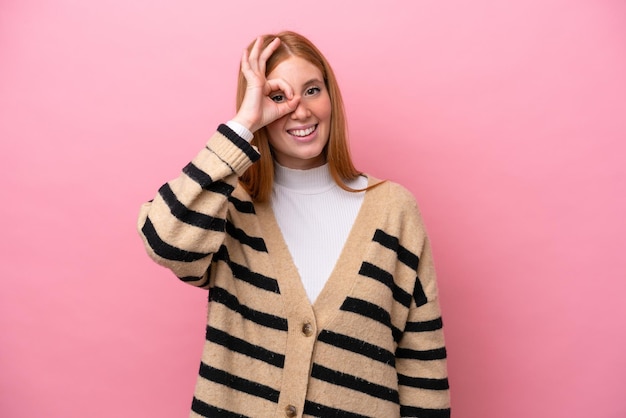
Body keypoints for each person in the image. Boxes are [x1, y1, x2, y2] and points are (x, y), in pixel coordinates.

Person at [137, 31, 450, 418]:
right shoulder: (227, 207)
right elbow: (164, 241)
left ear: (331, 98)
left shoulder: (394, 211)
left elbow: (422, 362)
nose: (300, 111)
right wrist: (243, 125)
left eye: (313, 90)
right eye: (279, 97)